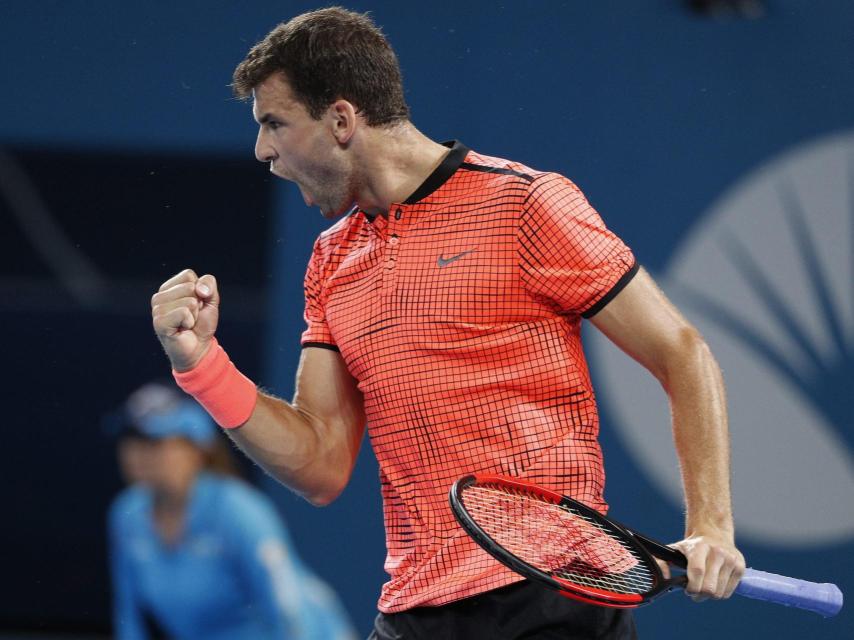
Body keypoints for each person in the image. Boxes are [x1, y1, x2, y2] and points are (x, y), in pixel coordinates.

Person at [150, 7, 746, 639]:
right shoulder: (332, 258)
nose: (262, 150)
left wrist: (711, 525)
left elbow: (682, 352)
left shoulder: (524, 204)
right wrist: (202, 366)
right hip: (416, 610)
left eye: (275, 123)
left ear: (343, 120)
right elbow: (321, 463)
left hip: (551, 596)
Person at [107, 381, 357, 640]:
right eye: (131, 441)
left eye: (155, 443)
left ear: (196, 449)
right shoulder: (127, 516)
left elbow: (288, 606)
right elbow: (130, 617)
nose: (138, 455)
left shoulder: (239, 510)